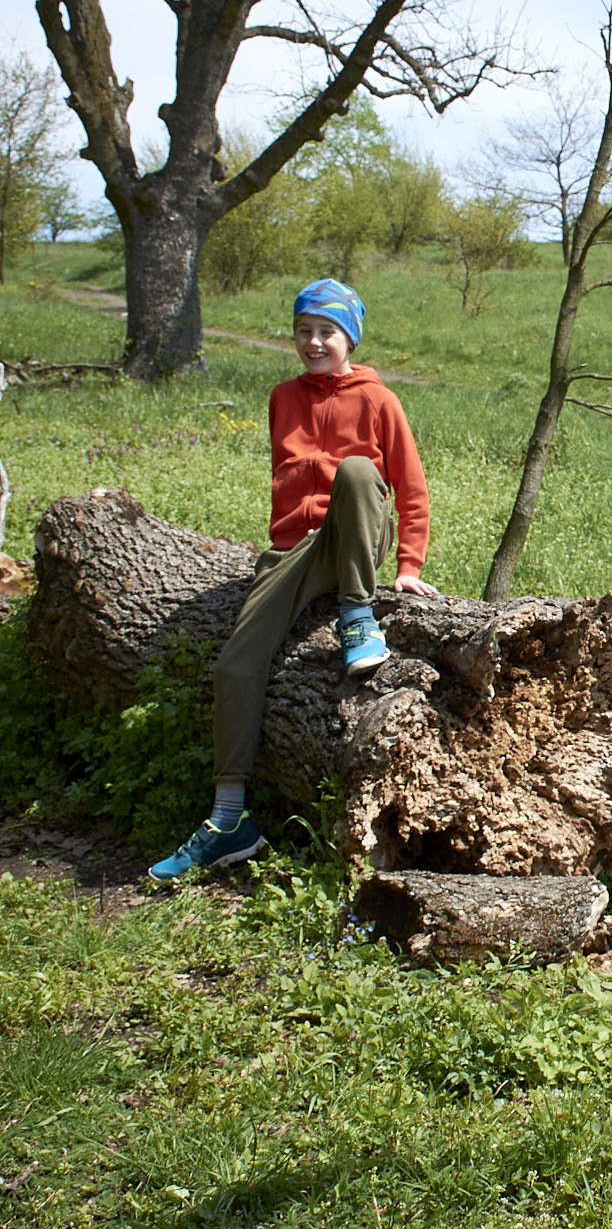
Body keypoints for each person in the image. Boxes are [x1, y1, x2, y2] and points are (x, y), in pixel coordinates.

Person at [149, 277, 437, 881]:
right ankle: (229, 819)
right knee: (235, 666)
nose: (314, 342)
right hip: (292, 552)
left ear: (349, 338)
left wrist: (408, 567)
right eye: (304, 330)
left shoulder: (379, 400)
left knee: (356, 471)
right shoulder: (282, 397)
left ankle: (357, 615)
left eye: (327, 331)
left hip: (356, 534)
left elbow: (410, 489)